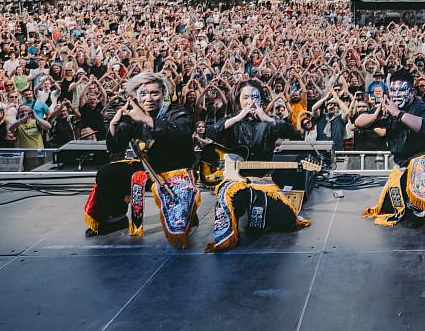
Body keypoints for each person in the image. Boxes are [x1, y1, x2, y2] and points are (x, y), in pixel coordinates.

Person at [83, 72, 199, 249]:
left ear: (163, 94)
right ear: (136, 95)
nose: (149, 98)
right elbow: (116, 148)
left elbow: (181, 133)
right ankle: (116, 219)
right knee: (107, 173)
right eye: (143, 94)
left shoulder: (177, 112)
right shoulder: (133, 115)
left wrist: (146, 119)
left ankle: (189, 213)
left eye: (154, 93)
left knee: (180, 224)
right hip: (147, 168)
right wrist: (114, 126)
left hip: (175, 170)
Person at [204, 79, 309, 252]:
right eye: (246, 97)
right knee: (231, 202)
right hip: (235, 181)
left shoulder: (267, 123)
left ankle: (262, 212)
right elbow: (211, 133)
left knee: (287, 221)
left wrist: (268, 119)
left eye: (255, 97)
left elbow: (295, 134)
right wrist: (238, 117)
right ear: (238, 100)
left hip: (262, 181)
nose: (250, 101)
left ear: (261, 100)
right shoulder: (231, 122)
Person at [358, 69, 425, 227]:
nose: (397, 94)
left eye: (402, 90)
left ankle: (420, 210)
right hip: (404, 164)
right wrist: (375, 117)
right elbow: (358, 123)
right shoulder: (388, 108)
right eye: (393, 90)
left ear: (412, 92)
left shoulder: (421, 107)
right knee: (391, 206)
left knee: (422, 167)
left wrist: (399, 115)